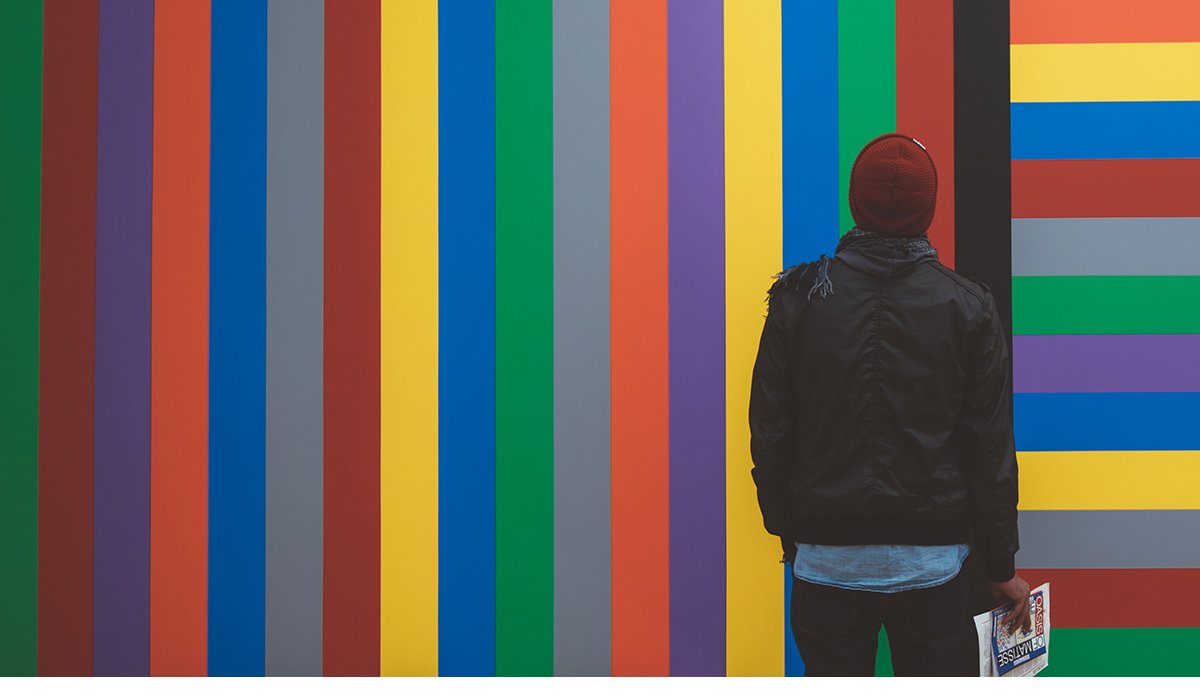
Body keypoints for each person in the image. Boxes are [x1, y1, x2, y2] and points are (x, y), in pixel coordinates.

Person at [748, 133, 1028, 677]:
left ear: (856, 203)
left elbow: (771, 431)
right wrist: (999, 565)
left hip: (823, 561)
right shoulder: (967, 305)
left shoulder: (797, 299)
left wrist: (791, 532)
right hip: (935, 569)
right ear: (929, 208)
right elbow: (988, 446)